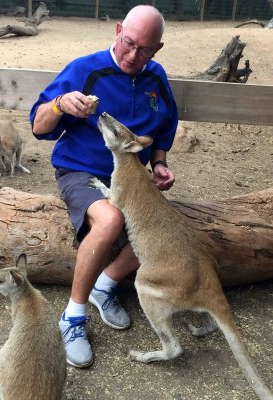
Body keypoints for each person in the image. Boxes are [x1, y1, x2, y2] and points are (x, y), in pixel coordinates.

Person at [30, 4, 178, 368]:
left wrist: (159, 163)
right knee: (110, 220)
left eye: (144, 49)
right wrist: (61, 104)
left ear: (157, 49)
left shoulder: (156, 78)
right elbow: (38, 125)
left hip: (129, 178)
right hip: (80, 170)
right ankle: (73, 317)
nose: (133, 55)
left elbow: (164, 127)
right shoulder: (85, 69)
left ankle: (105, 285)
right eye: (128, 43)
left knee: (164, 227)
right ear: (117, 31)